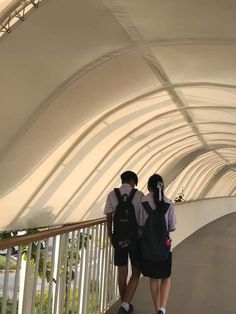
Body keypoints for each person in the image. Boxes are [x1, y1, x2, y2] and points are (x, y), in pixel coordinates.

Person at [104, 171, 144, 314]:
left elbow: (108, 215)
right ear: (133, 181)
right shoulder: (139, 195)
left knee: (122, 272)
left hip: (118, 239)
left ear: (122, 181)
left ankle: (124, 305)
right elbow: (141, 220)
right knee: (136, 271)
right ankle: (126, 304)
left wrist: (110, 233)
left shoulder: (111, 194)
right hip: (134, 238)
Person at [138, 174, 176, 314]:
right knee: (166, 277)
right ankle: (163, 308)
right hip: (165, 248)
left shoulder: (143, 201)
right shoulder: (168, 203)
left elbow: (141, 223)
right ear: (162, 187)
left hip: (148, 247)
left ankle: (156, 309)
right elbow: (172, 227)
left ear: (149, 187)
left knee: (153, 278)